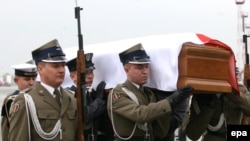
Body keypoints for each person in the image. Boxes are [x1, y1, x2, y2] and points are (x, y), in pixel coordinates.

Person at [107, 43, 193, 141]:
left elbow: (160, 125)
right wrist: (171, 100)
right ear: (126, 70)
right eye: (139, 68)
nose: (145, 71)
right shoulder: (118, 93)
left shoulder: (149, 93)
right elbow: (141, 114)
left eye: (147, 66)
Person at [8, 39, 77, 141]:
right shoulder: (26, 100)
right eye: (56, 66)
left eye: (63, 65)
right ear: (40, 69)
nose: (62, 70)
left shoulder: (71, 97)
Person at [186, 67, 250, 141]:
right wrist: (213, 100)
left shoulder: (240, 90)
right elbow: (192, 134)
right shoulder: (201, 95)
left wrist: (231, 91)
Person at [65, 53, 114, 141]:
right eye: (85, 73)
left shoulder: (91, 95)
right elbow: (85, 116)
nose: (90, 76)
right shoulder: (70, 95)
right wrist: (99, 100)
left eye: (91, 72)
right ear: (72, 76)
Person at [1, 62, 37, 141]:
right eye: (27, 79)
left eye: (34, 79)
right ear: (16, 80)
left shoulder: (40, 98)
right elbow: (5, 129)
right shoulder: (10, 100)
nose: (31, 83)